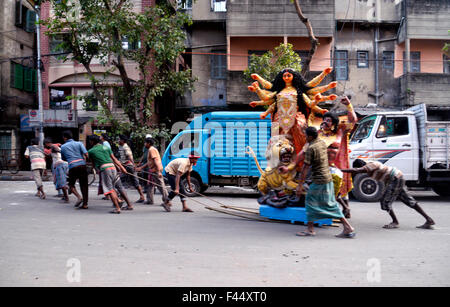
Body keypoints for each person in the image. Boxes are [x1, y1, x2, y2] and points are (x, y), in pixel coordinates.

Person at [248, 67, 337, 155]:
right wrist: (257, 89)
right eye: (284, 76)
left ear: (294, 77)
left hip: (296, 117)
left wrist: (318, 99)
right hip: (279, 117)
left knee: (301, 131)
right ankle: (274, 161)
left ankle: (302, 155)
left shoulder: (299, 93)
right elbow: (266, 98)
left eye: (288, 75)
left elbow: (310, 103)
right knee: (274, 138)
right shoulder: (278, 92)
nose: (286, 78)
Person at [295, 127, 355, 238]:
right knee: (330, 203)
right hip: (327, 178)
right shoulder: (322, 143)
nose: (305, 138)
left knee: (310, 202)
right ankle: (347, 227)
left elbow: (305, 168)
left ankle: (311, 229)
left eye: (306, 136)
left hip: (319, 180)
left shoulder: (311, 148)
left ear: (310, 136)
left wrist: (299, 185)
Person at [342, 159, 435, 230]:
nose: (363, 172)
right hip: (396, 177)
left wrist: (341, 170)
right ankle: (429, 220)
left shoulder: (371, 165)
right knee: (407, 200)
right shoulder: (371, 167)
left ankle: (395, 222)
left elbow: (356, 170)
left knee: (385, 202)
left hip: (394, 178)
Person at [87, 135, 133, 214]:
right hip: (113, 167)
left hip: (105, 169)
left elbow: (93, 164)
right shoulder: (106, 148)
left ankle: (117, 208)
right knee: (120, 187)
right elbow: (114, 159)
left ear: (92, 141)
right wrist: (122, 168)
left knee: (109, 188)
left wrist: (94, 169)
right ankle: (129, 205)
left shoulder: (91, 151)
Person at [136, 137, 169, 206]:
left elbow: (155, 160)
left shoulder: (151, 150)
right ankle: (149, 200)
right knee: (150, 185)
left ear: (148, 143)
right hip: (152, 170)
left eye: (145, 143)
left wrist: (159, 171)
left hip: (155, 170)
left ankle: (167, 200)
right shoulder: (150, 150)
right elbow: (149, 162)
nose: (144, 144)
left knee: (161, 186)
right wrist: (141, 167)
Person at [61, 130, 89, 209]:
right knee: (84, 185)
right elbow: (86, 154)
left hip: (72, 166)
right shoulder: (79, 143)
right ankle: (85, 204)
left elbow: (63, 158)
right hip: (82, 165)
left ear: (65, 138)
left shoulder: (63, 147)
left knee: (71, 184)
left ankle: (79, 197)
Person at [118, 135, 146, 203]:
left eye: (119, 139)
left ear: (123, 140)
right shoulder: (120, 146)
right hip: (124, 165)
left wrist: (134, 166)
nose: (118, 140)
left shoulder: (125, 147)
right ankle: (141, 196)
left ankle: (122, 198)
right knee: (132, 181)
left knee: (121, 181)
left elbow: (130, 156)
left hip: (128, 166)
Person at [327, 142, 351, 218]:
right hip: (341, 169)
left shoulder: (329, 150)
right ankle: (346, 210)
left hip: (334, 170)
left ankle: (345, 209)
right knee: (342, 191)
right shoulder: (342, 150)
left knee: (333, 193)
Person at [44, 138, 69, 203]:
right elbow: (51, 154)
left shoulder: (53, 146)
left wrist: (59, 151)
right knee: (62, 180)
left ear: (47, 143)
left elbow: (58, 150)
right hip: (62, 163)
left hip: (59, 164)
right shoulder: (54, 147)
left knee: (60, 180)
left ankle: (65, 196)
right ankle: (64, 195)